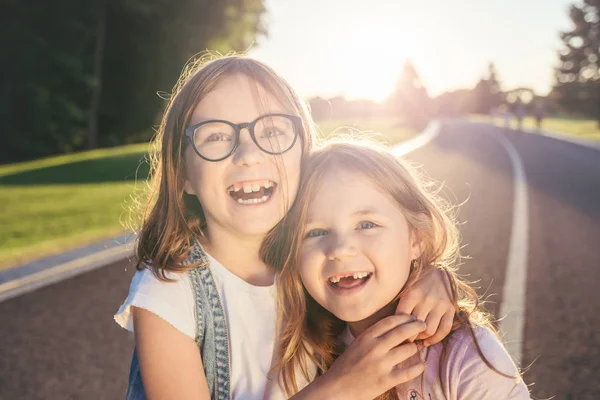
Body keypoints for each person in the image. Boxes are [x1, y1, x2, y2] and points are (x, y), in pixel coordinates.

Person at [114, 55, 456, 400]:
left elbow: (382, 265)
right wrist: (340, 389)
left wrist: (426, 274)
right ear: (182, 173)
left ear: (303, 153)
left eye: (273, 131)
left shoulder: (317, 255)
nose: (248, 154)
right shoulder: (166, 292)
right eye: (216, 136)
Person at [263, 140, 531, 399]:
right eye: (315, 232)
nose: (340, 249)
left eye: (367, 224)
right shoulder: (297, 347)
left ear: (416, 239)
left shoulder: (463, 357)